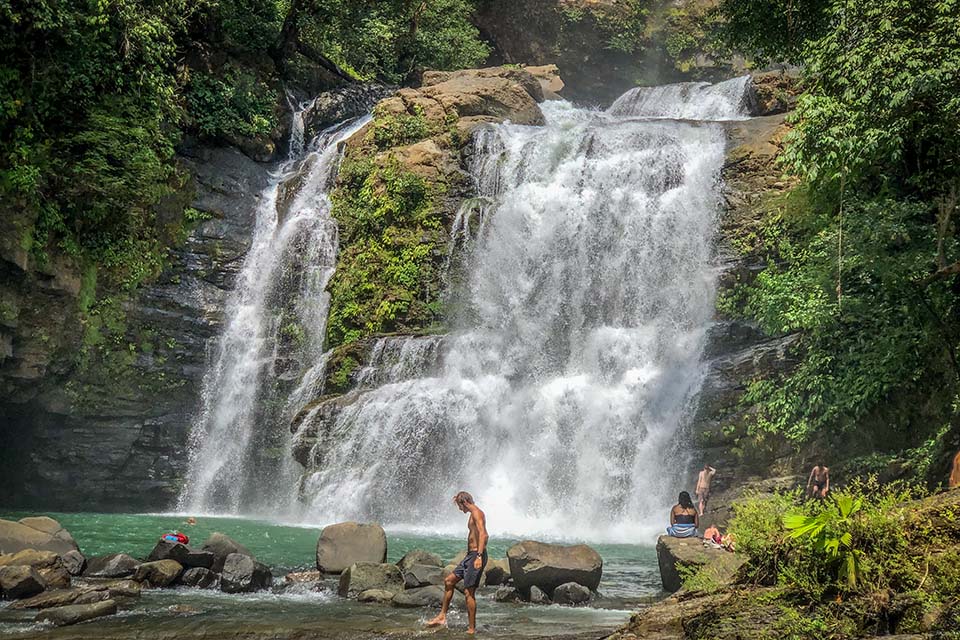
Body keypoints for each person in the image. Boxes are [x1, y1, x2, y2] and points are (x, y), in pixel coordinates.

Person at [427, 491, 488, 635]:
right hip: (470, 556)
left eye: (459, 506)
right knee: (449, 581)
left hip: (476, 556)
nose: (460, 509)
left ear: (464, 502)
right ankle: (442, 616)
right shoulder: (472, 514)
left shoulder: (477, 513)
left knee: (469, 592)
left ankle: (472, 629)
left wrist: (479, 556)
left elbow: (484, 535)